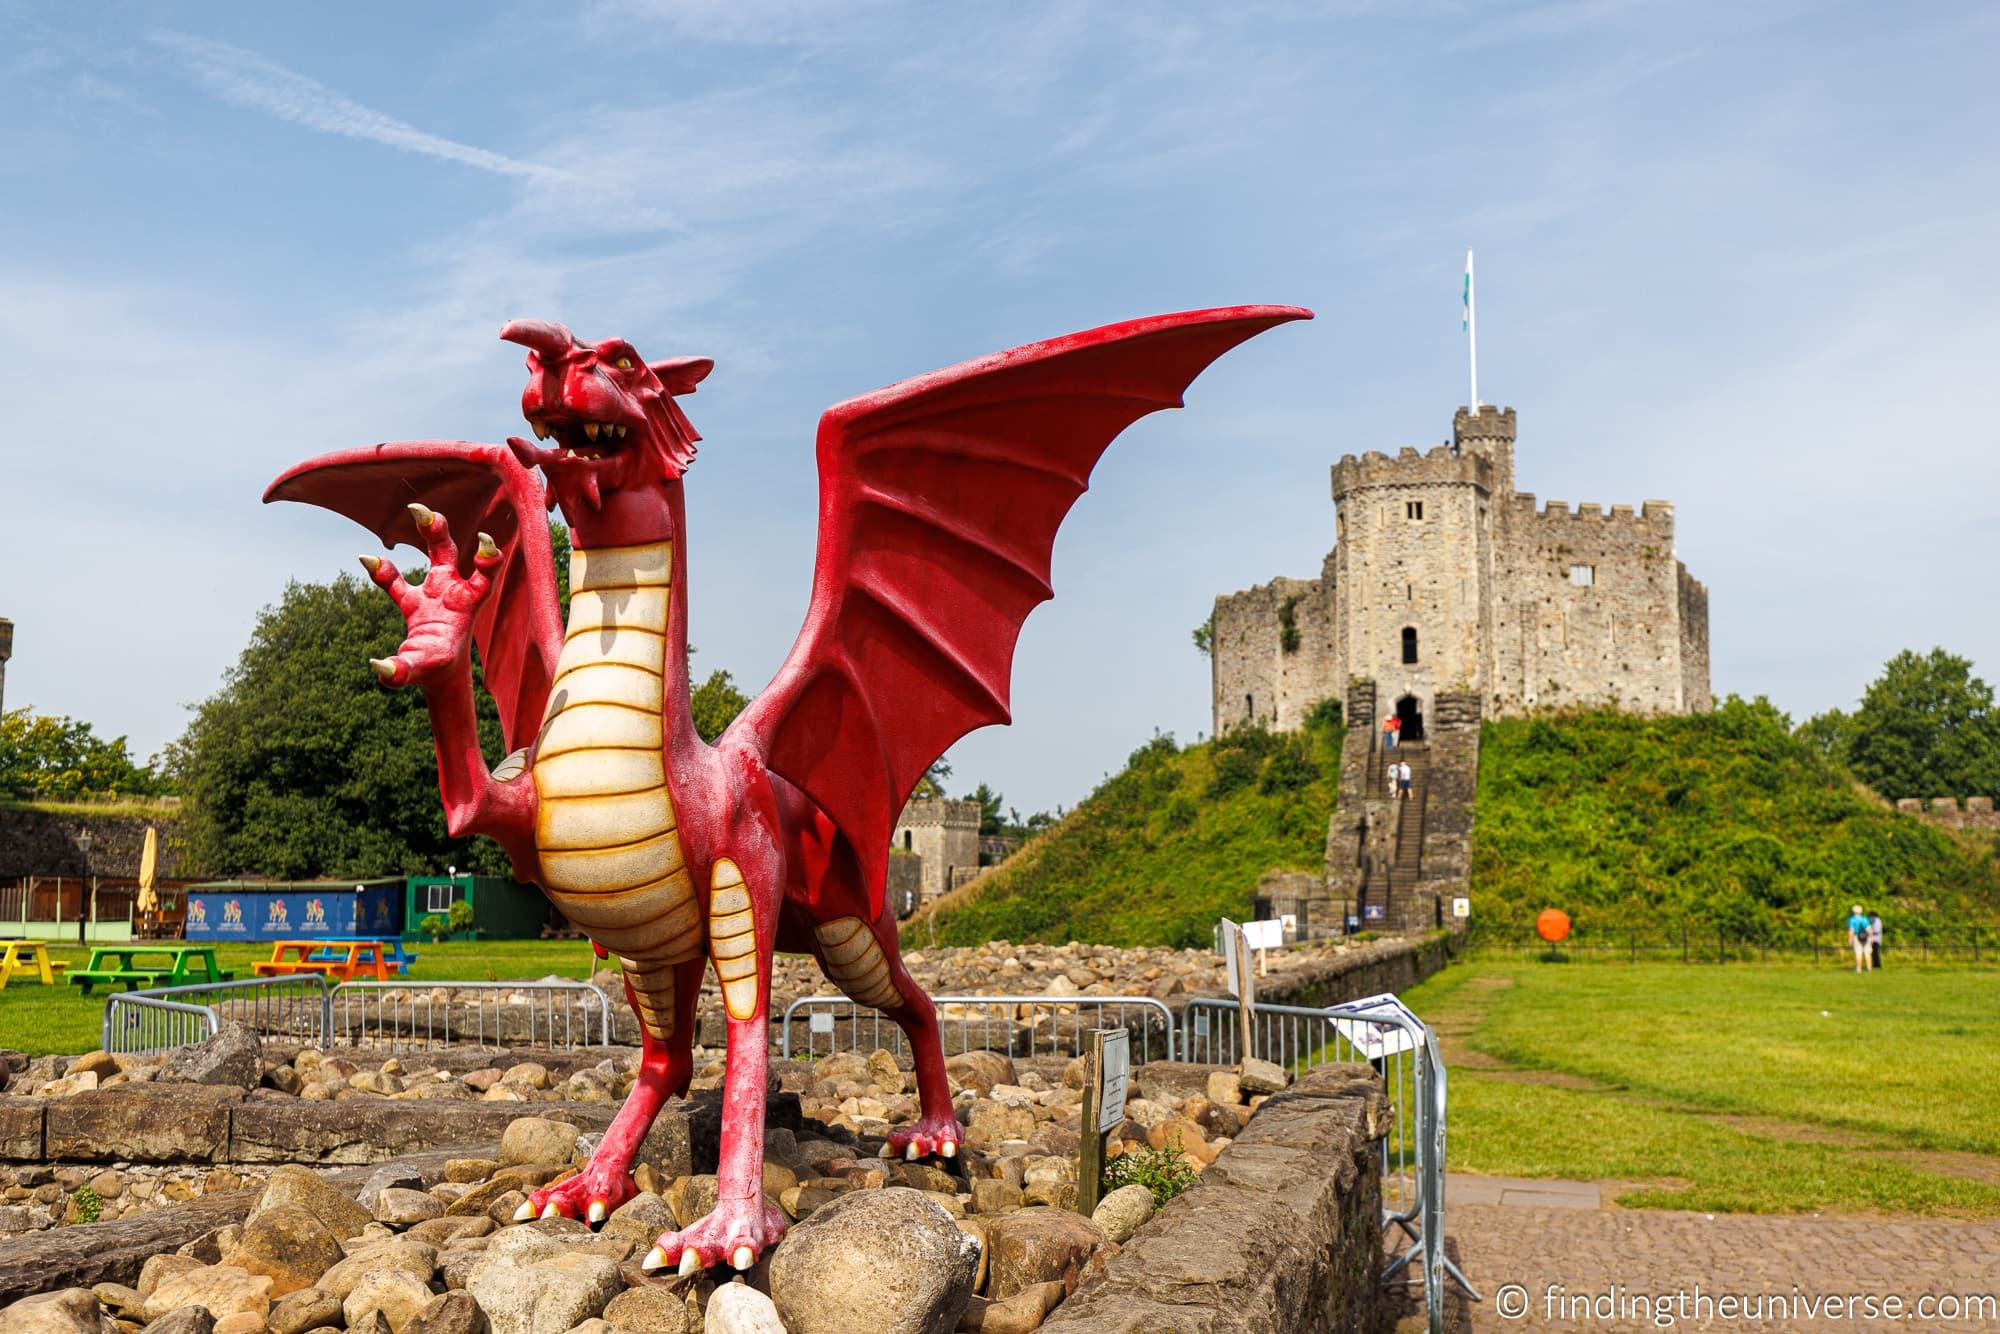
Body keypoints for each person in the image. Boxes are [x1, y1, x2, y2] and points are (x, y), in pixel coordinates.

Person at [1846, 904, 1872, 973]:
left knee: (1858, 953)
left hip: (1856, 936)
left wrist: (1850, 939)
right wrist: (1871, 938)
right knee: (1867, 953)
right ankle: (1869, 968)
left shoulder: (1851, 919)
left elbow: (1851, 930)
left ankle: (1858, 969)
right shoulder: (1864, 918)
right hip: (1866, 936)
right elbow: (1869, 929)